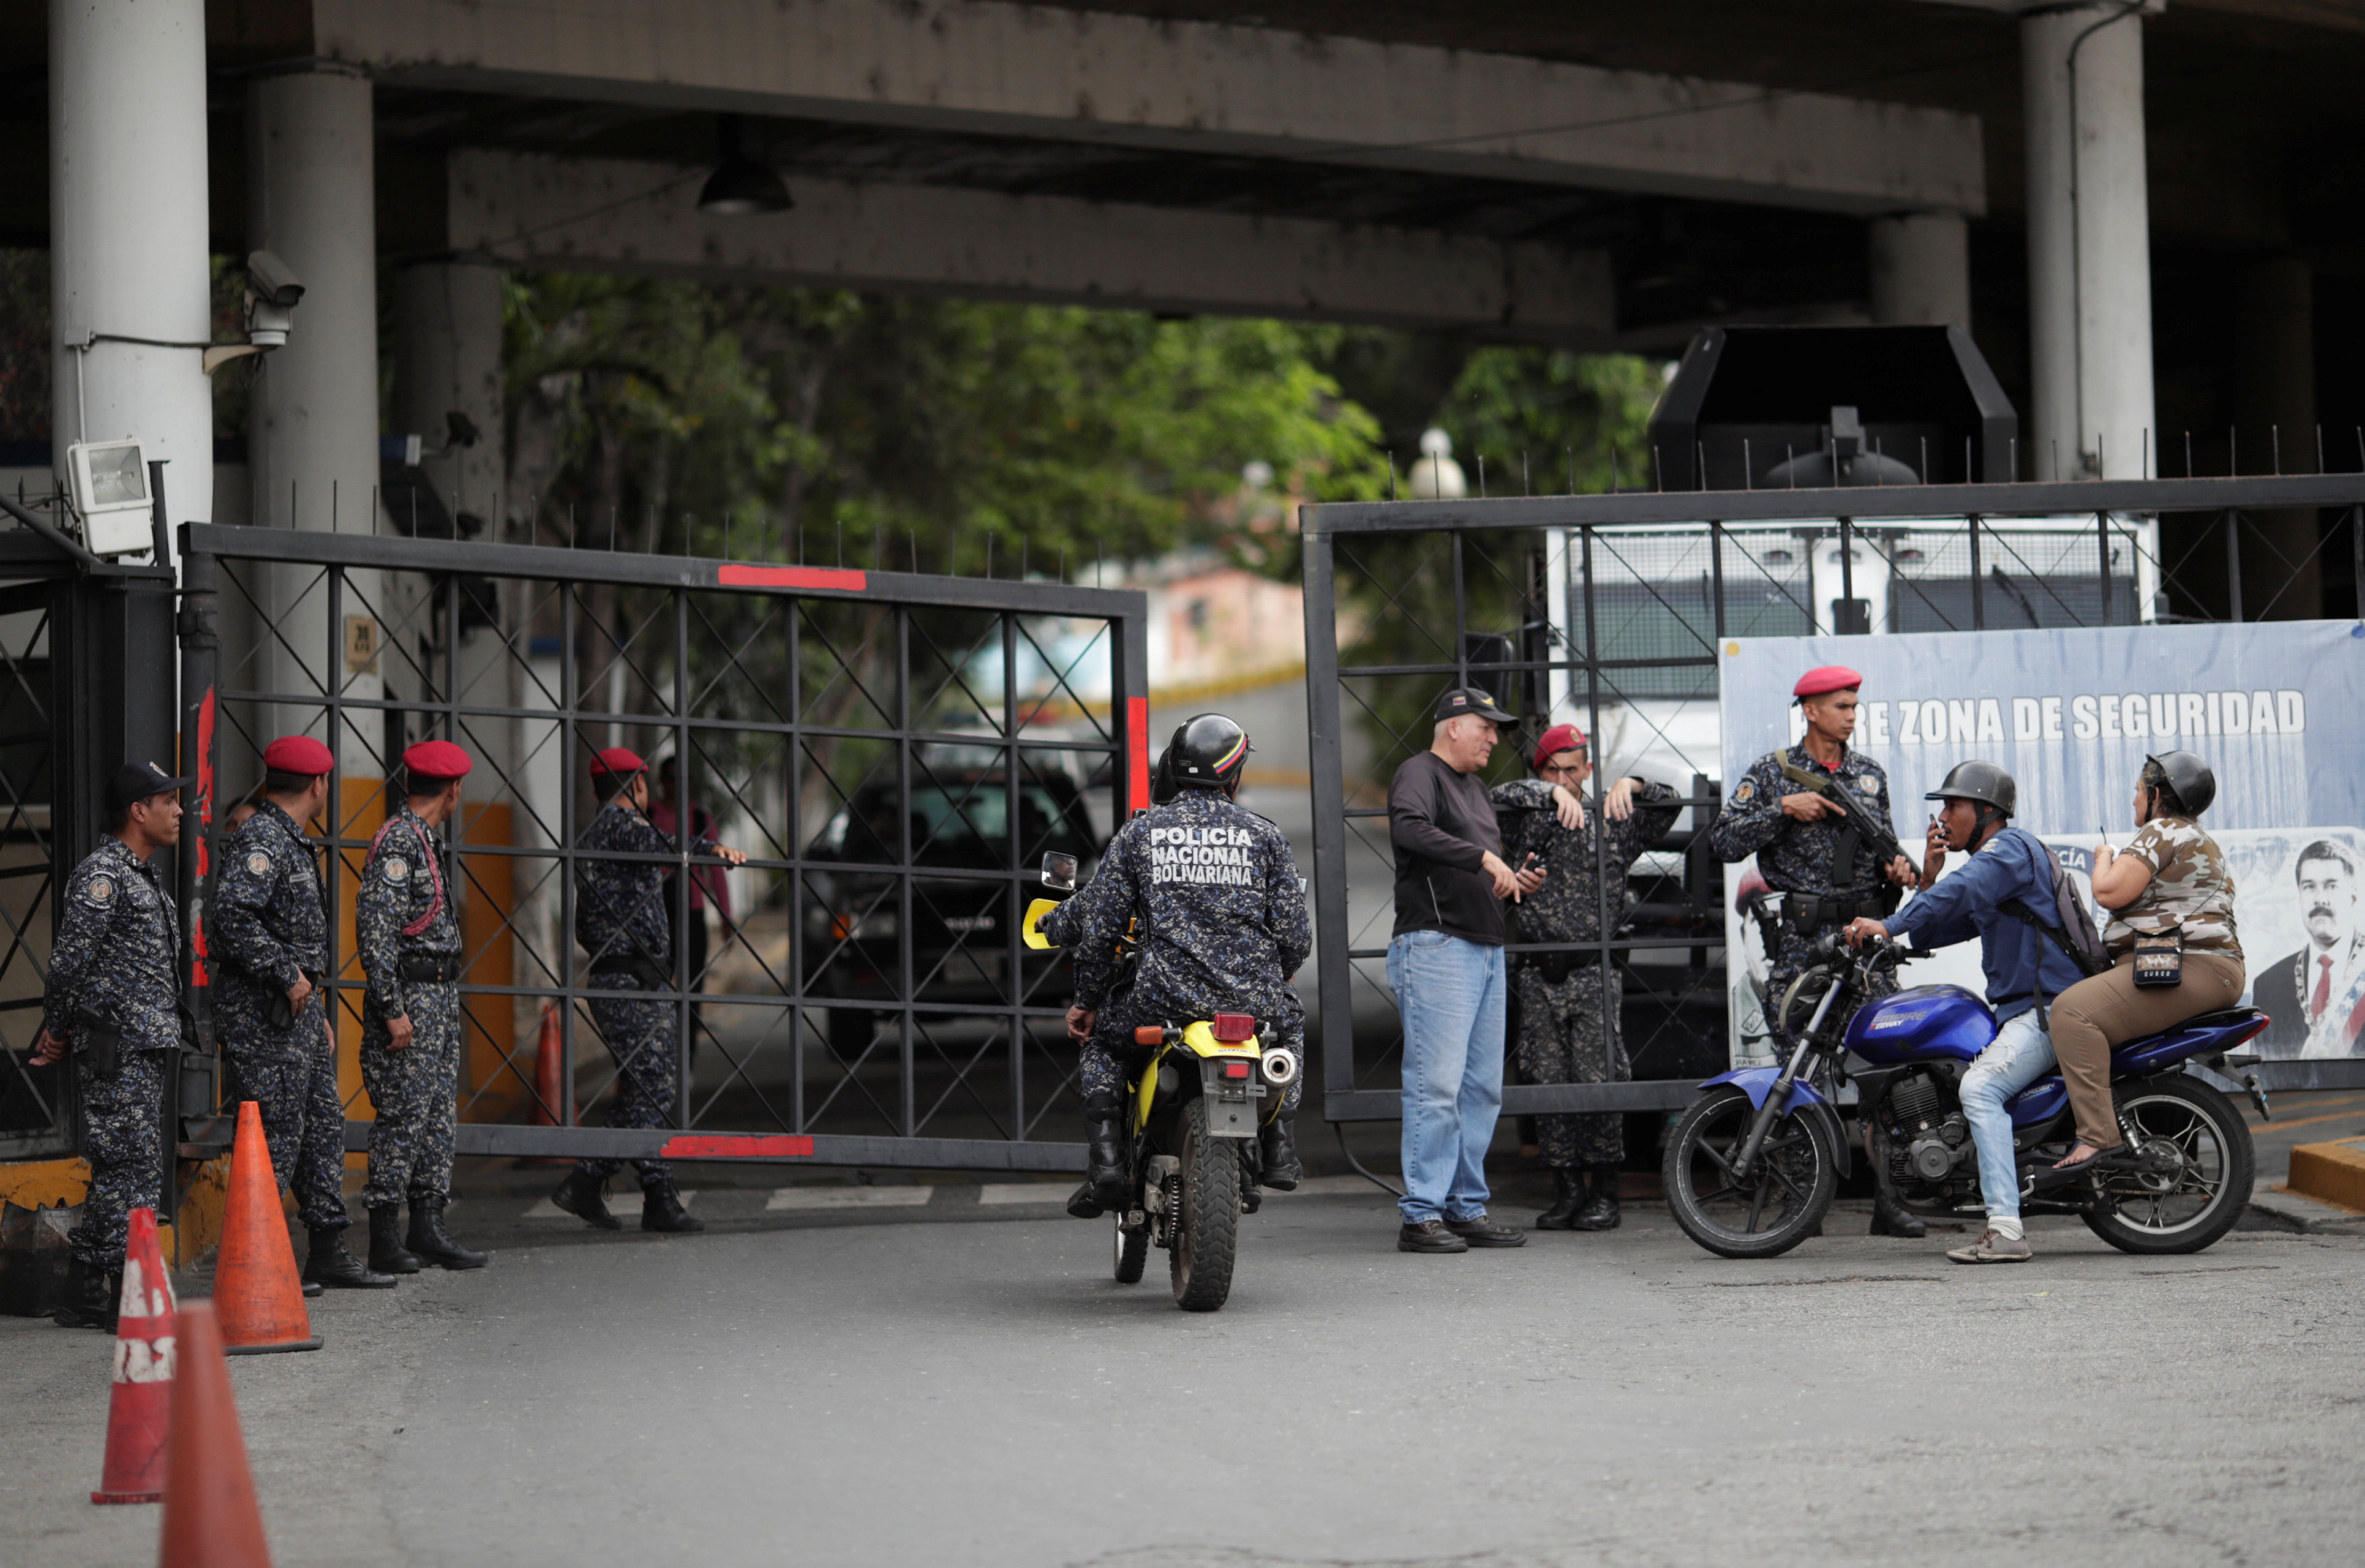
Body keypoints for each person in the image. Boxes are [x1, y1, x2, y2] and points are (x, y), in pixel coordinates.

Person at [1044, 714, 1309, 1219]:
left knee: (1102, 1042)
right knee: (1289, 1026)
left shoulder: (1141, 833)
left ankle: (1107, 1164)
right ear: (1232, 775)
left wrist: (1087, 1002)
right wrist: (1282, 971)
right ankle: (1279, 1145)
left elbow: (1100, 930)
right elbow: (1295, 935)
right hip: (1251, 1002)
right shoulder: (1264, 835)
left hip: (1163, 999)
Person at [1844, 761, 2089, 1265]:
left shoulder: (2009, 851)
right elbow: (1936, 928)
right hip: (2026, 1011)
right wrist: (1928, 878)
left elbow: (1957, 894)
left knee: (1978, 1087)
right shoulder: (1993, 870)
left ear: (1987, 812)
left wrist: (1887, 924)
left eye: (1953, 805)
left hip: (2047, 1011)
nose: (1942, 816)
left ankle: (2005, 1228)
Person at [1709, 664, 1924, 1237]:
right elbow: (1723, 840)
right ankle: (1801, 1202)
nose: (1852, 715)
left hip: (1863, 940)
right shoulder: (1773, 773)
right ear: (1809, 710)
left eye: (1855, 706)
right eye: (1841, 706)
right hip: (1805, 942)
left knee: (1888, 1068)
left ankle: (1890, 1198)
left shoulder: (1869, 775)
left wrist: (1899, 868)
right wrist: (1785, 808)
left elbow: (1888, 855)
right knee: (1794, 1075)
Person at [210, 736, 394, 1292]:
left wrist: (311, 1003)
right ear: (319, 784)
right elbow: (230, 916)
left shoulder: (289, 839)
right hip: (262, 1015)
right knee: (277, 1134)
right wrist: (288, 975)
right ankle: (255, 1267)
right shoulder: (264, 839)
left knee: (321, 1125)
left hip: (296, 1015)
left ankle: (328, 1248)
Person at [1490, 722, 1681, 1230]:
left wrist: (1633, 784)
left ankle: (1606, 1191)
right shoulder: (1526, 818)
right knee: (1548, 1081)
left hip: (1592, 972)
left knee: (1600, 1079)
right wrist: (1548, 791)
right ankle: (1567, 1189)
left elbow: (1673, 802)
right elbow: (1493, 796)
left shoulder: (1612, 818)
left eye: (1573, 770)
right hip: (1539, 970)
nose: (1565, 778)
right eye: (1554, 770)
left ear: (1589, 770)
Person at [549, 747, 748, 1233]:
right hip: (631, 982)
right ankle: (587, 1178)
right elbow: (668, 844)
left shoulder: (599, 834)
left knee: (647, 1086)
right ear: (637, 785)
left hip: (630, 978)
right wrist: (711, 851)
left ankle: (656, 1196)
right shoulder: (621, 827)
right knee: (657, 1086)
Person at [1384, 687, 1546, 1255]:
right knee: (1438, 1087)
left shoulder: (1476, 789)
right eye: (1486, 726)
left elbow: (1474, 866)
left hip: (1483, 947)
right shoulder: (1418, 772)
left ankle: (1464, 1207)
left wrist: (1512, 881)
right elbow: (1408, 829)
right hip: (1436, 945)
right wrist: (1484, 857)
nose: (1494, 737)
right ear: (1454, 725)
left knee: (1481, 1088)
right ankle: (1421, 1214)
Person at [30, 761, 191, 1330]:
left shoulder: (141, 875)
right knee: (129, 1166)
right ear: (137, 810)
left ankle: (82, 1289)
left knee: (132, 1167)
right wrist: (56, 1028)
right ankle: (128, 1295)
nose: (179, 810)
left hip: (142, 1043)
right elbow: (70, 960)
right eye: (168, 801)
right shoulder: (104, 874)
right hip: (115, 1046)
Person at [2049, 751, 2246, 1167]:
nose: (2134, 798)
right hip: (2206, 969)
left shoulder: (2163, 831)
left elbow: (2108, 892)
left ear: (2157, 794)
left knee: (2071, 1013)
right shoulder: (2195, 837)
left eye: (2138, 790)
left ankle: (2098, 1139)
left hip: (2194, 967)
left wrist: (2105, 855)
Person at [355, 740, 487, 1274]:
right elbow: (376, 930)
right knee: (404, 1113)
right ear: (453, 789)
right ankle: (386, 1233)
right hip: (410, 996)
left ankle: (427, 1226)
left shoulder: (423, 840)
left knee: (435, 1114)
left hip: (438, 993)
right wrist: (390, 1006)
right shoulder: (399, 843)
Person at [649, 755, 733, 1046]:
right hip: (654, 916)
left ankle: (687, 1063)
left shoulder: (700, 818)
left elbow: (718, 872)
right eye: (671, 777)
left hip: (692, 915)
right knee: (653, 990)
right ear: (661, 781)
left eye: (682, 779)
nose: (676, 785)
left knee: (692, 991)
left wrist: (726, 918)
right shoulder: (648, 815)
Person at [2256, 841, 2362, 1058]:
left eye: (2331, 886)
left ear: (2353, 895)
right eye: (2309, 887)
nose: (2319, 899)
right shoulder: (2268, 985)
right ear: (2300, 895)